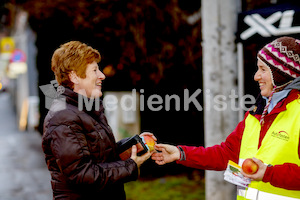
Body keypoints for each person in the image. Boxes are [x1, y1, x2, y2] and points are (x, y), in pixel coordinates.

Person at [152, 36, 300, 200]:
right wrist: (180, 154)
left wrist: (268, 173)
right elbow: (225, 154)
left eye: (263, 70)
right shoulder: (256, 112)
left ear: (281, 74)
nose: (256, 76)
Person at [42, 41, 156, 199]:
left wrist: (133, 145)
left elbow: (101, 156)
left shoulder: (86, 110)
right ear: (74, 76)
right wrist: (130, 166)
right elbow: (82, 174)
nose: (102, 75)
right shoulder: (63, 117)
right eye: (95, 70)